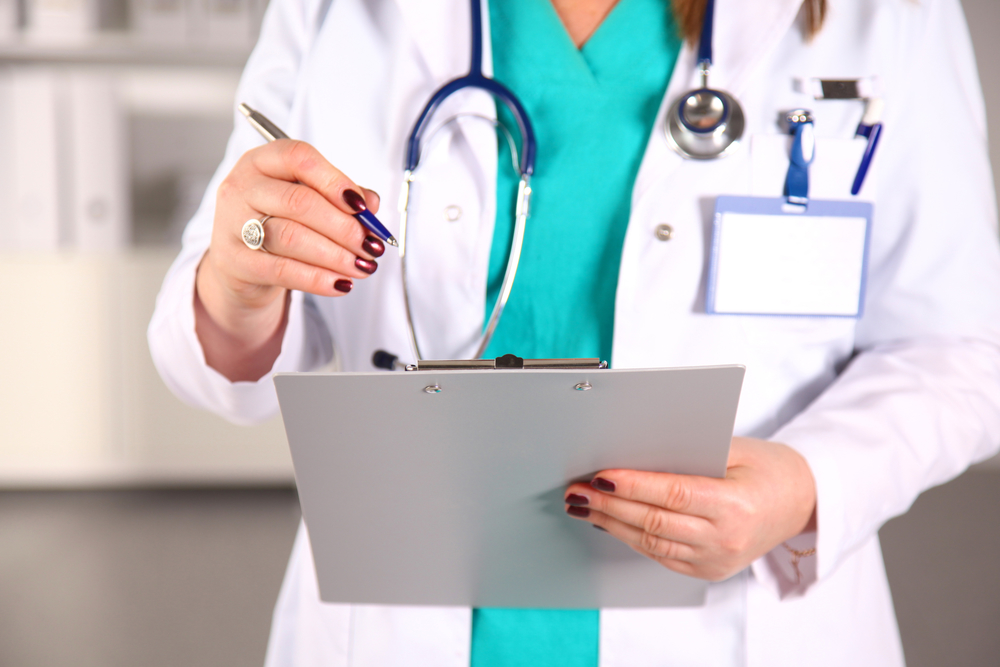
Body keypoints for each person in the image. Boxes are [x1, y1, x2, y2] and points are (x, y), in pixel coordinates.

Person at [148, 0, 1000, 664]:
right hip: (398, 620)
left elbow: (963, 345)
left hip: (739, 618)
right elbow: (221, 359)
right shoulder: (336, 12)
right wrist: (239, 278)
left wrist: (809, 483)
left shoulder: (889, 16)